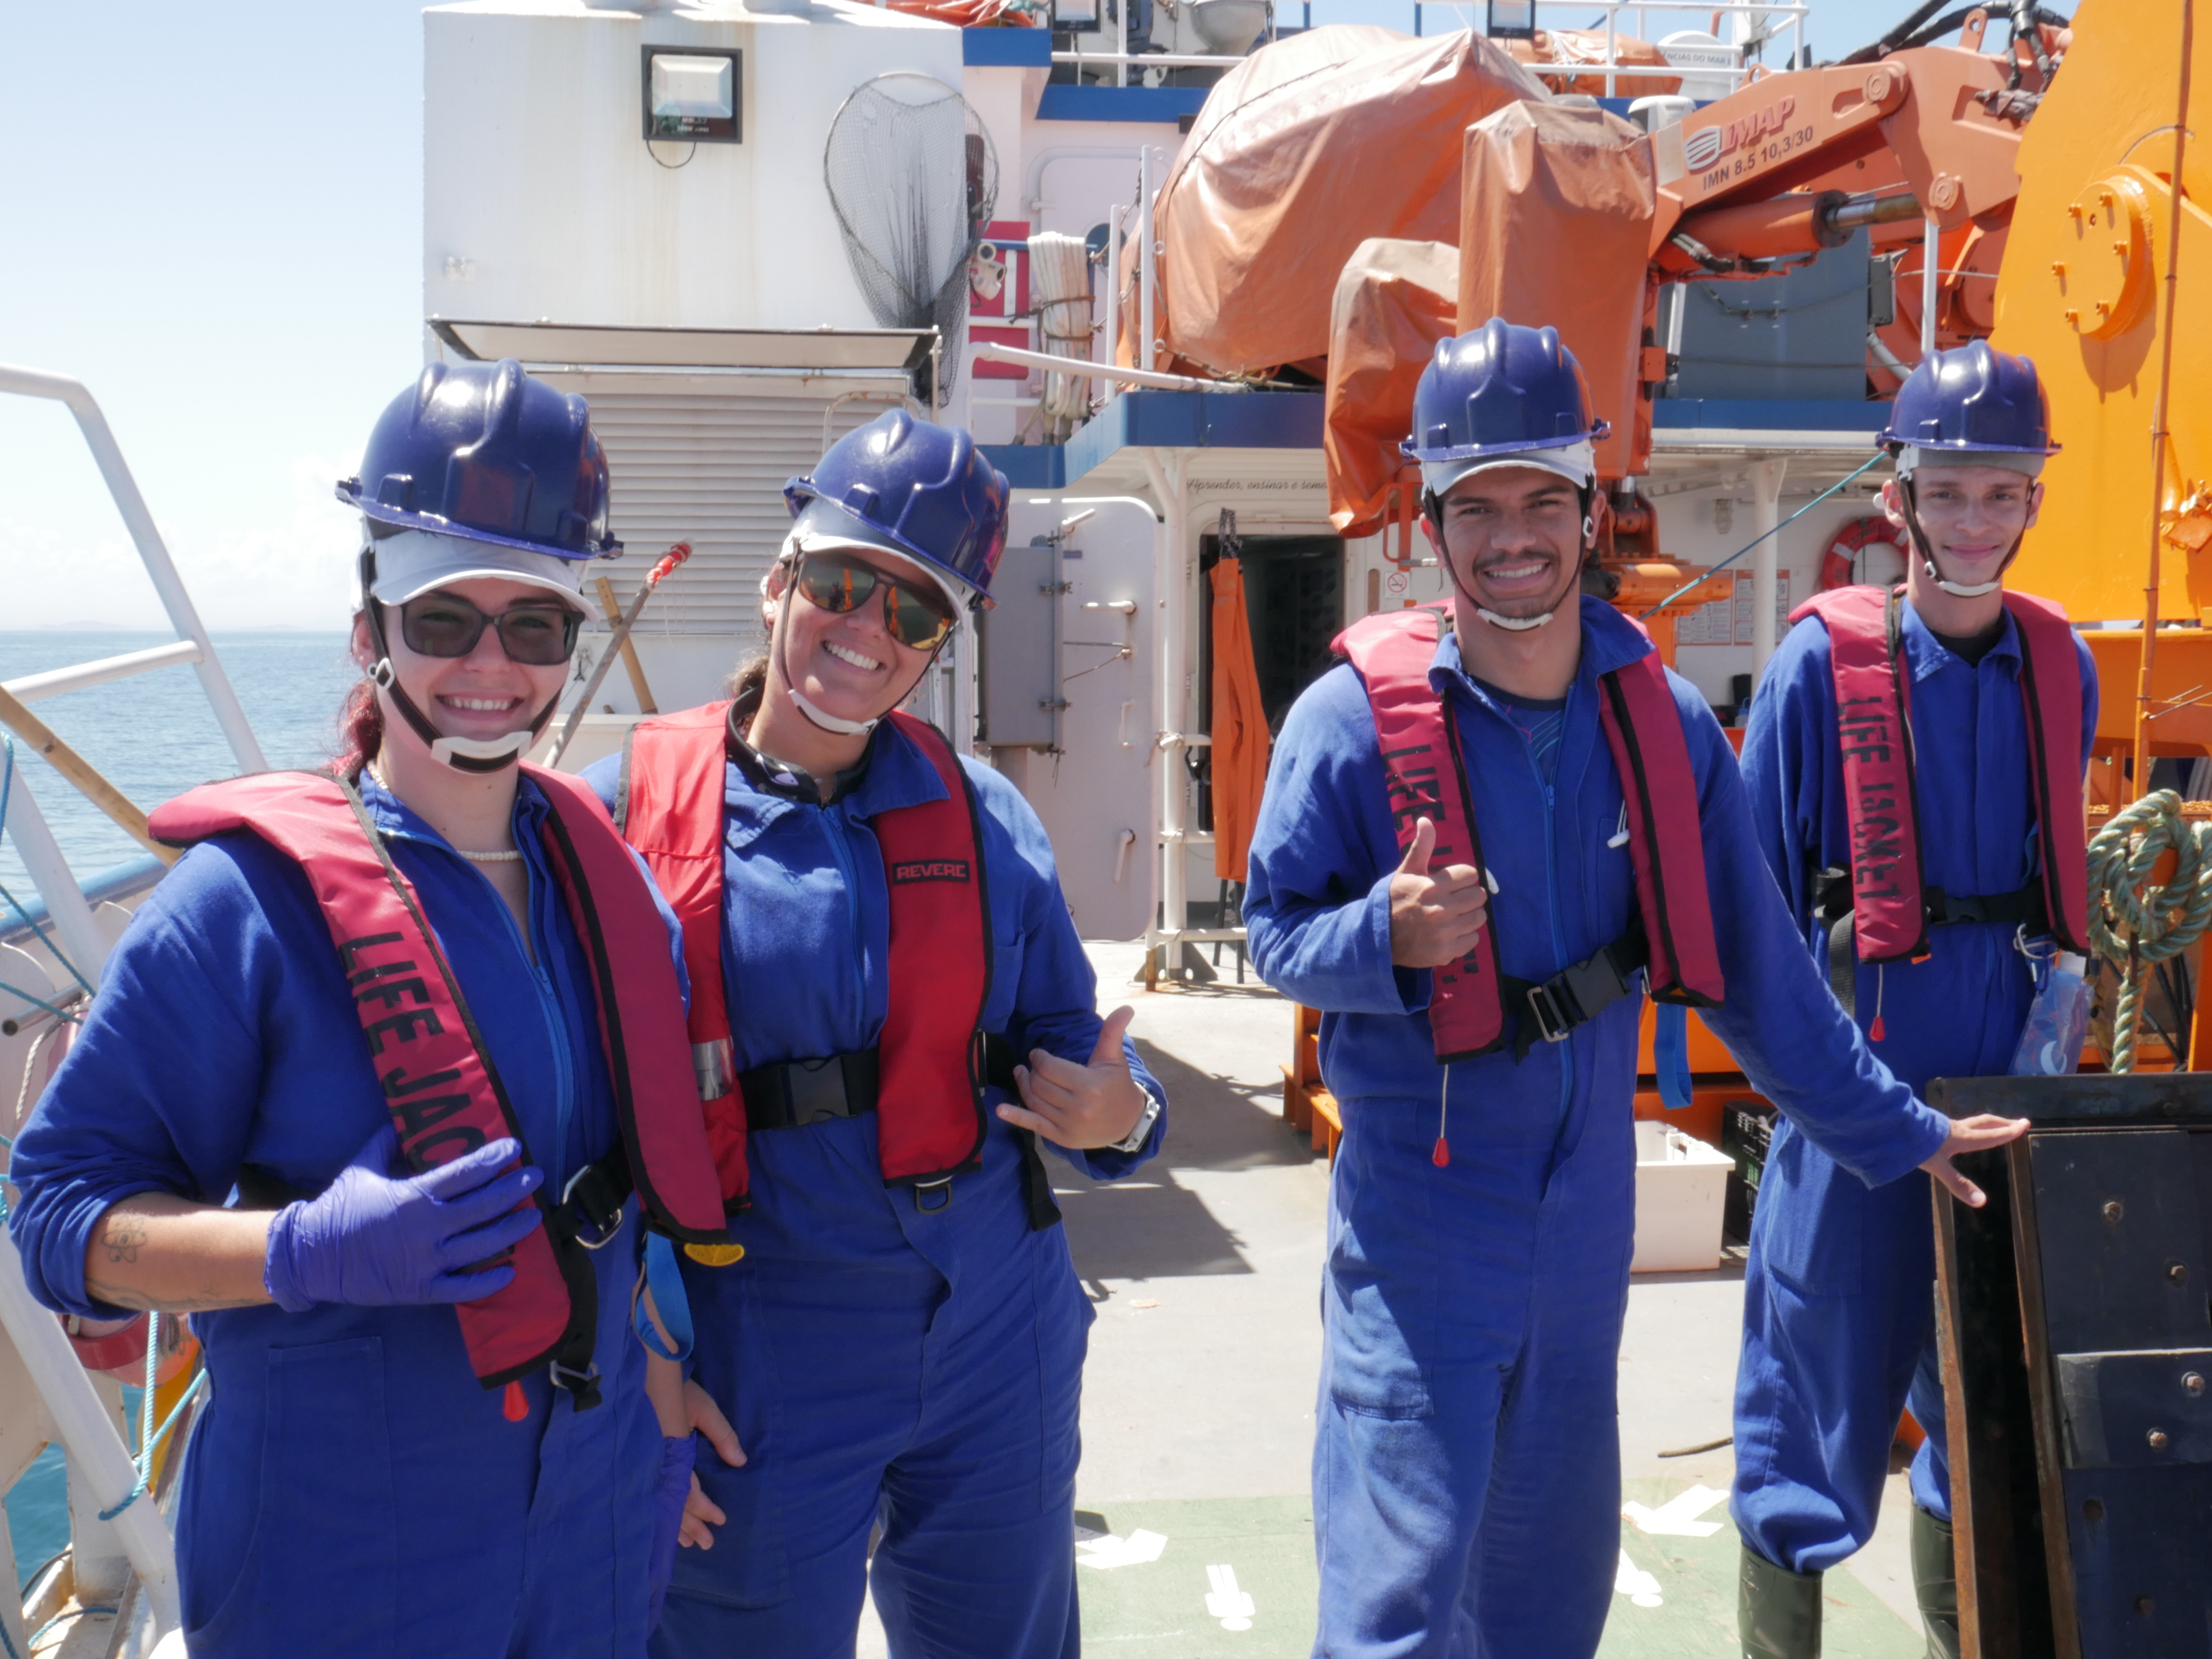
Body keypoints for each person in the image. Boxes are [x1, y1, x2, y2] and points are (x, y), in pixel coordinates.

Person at [1239, 318, 2027, 1659]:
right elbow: (1272, 934)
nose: (1513, 538)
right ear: (1430, 525)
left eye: (1541, 501)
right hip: (1423, 1213)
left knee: (1550, 1593)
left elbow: (1763, 978)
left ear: (1589, 510)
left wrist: (1900, 1131)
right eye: (1477, 507)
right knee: (1395, 1600)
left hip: (1585, 1222)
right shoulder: (1348, 724)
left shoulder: (1659, 723)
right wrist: (1380, 938)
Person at [6, 358, 729, 1658]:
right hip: (339, 1548)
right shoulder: (240, 910)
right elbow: (61, 1221)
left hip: (596, 1515)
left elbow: (644, 1204)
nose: (490, 665)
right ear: (369, 628)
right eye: (444, 618)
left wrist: (661, 1403)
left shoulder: (613, 886)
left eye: (536, 625)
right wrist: (297, 1253)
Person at [584, 410, 1168, 1659]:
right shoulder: (620, 818)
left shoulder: (983, 813)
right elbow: (565, 1125)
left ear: (939, 646)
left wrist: (1124, 1117)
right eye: (844, 585)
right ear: (780, 579)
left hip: (999, 1328)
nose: (868, 630)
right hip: (758, 1345)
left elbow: (1078, 1041)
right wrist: (639, 1384)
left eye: (914, 612)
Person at [1729, 342, 2095, 1659]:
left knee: (1983, 1402)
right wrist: (1842, 1105)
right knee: (1803, 1415)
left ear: (2034, 498)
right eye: (1948, 492)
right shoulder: (1814, 672)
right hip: (1854, 1111)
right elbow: (1751, 927)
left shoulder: (2062, 665)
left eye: (2001, 493)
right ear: (1898, 498)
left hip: (2004, 1104)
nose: (1974, 520)